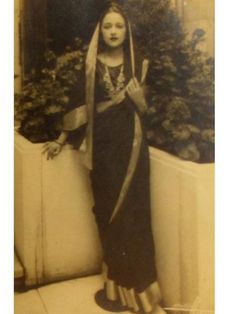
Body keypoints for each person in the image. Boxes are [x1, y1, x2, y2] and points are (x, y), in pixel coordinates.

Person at [43, 2, 166, 313]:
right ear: (100, 31)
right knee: (108, 215)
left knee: (135, 216)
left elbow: (148, 113)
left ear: (127, 31)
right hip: (103, 151)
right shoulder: (91, 66)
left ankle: (143, 295)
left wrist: (140, 102)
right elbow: (79, 108)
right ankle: (115, 289)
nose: (113, 31)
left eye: (119, 26)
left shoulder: (139, 64)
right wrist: (61, 140)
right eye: (108, 26)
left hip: (134, 151)